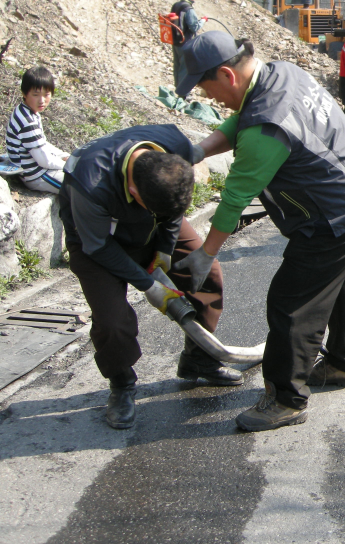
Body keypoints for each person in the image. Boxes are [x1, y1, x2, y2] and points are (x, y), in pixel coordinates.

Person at [174, 31, 345, 432]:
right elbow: (242, 117)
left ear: (226, 74)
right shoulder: (281, 74)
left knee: (292, 303)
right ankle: (342, 363)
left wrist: (206, 254)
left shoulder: (263, 130)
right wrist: (200, 150)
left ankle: (286, 399)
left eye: (207, 87)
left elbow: (235, 196)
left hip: (335, 217)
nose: (210, 98)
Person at [58, 124, 238, 429]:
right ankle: (122, 383)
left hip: (154, 217)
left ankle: (199, 358)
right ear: (132, 191)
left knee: (205, 274)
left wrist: (165, 251)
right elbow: (98, 247)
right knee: (113, 320)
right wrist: (149, 285)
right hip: (96, 240)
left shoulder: (173, 148)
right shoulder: (89, 182)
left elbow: (172, 211)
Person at [6, 66, 68, 194]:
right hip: (36, 175)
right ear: (24, 93)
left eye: (46, 95)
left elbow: (41, 143)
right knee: (81, 186)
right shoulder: (27, 121)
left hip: (38, 167)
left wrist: (63, 155)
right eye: (35, 95)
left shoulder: (26, 111)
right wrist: (69, 166)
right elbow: (44, 160)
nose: (42, 101)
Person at [171, 0, 204, 93]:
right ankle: (183, 94)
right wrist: (203, 20)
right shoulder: (188, 9)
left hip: (175, 41)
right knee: (185, 70)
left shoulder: (176, 5)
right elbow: (194, 27)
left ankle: (177, 90)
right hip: (185, 43)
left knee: (177, 67)